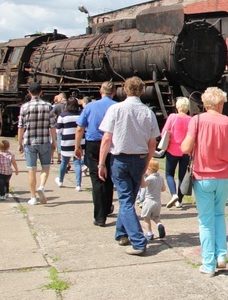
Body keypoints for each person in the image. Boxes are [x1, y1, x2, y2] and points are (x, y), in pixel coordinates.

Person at [180, 86, 228, 276]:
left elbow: (185, 148)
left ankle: (208, 264)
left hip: (203, 176)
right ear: (220, 103)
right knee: (219, 215)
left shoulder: (196, 120)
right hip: (225, 176)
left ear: (206, 104)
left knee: (205, 221)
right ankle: (221, 255)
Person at [98, 76, 160, 256]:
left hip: (120, 159)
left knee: (125, 201)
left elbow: (107, 138)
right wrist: (146, 163)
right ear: (141, 91)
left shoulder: (115, 109)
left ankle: (139, 241)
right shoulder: (148, 112)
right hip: (139, 159)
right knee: (129, 200)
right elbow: (152, 143)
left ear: (125, 90)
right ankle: (122, 233)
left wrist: (101, 163)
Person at [75, 82, 117, 227]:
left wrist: (77, 146)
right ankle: (107, 207)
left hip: (93, 144)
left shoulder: (90, 106)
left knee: (97, 179)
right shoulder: (116, 106)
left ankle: (100, 216)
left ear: (101, 91)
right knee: (109, 177)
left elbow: (80, 128)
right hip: (111, 143)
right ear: (114, 92)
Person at [17, 81, 57, 205]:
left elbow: (21, 127)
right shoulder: (48, 106)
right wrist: (54, 142)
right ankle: (41, 186)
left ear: (29, 92)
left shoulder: (24, 107)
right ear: (41, 92)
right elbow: (52, 126)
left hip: (29, 141)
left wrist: (19, 143)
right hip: (44, 140)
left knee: (31, 169)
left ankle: (33, 197)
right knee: (45, 166)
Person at [162, 96, 193, 209]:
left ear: (177, 106)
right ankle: (179, 200)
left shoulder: (173, 117)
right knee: (182, 176)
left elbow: (164, 132)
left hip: (172, 150)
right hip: (186, 152)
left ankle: (173, 194)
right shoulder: (191, 119)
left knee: (169, 174)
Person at [56, 97, 85, 190]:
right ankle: (78, 185)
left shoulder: (63, 115)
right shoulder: (81, 114)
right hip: (79, 142)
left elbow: (58, 130)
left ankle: (60, 180)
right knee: (78, 163)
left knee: (64, 162)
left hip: (67, 141)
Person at [140, 159, 166, 240]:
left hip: (149, 201)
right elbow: (163, 189)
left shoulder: (150, 178)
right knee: (156, 217)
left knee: (146, 218)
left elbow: (143, 186)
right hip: (158, 201)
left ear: (149, 169)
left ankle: (149, 233)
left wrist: (141, 177)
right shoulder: (160, 178)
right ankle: (159, 225)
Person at [52, 93, 67, 164]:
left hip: (59, 126)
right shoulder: (70, 104)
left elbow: (51, 115)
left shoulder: (57, 106)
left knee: (59, 142)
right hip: (68, 126)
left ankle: (59, 158)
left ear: (61, 98)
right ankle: (67, 161)